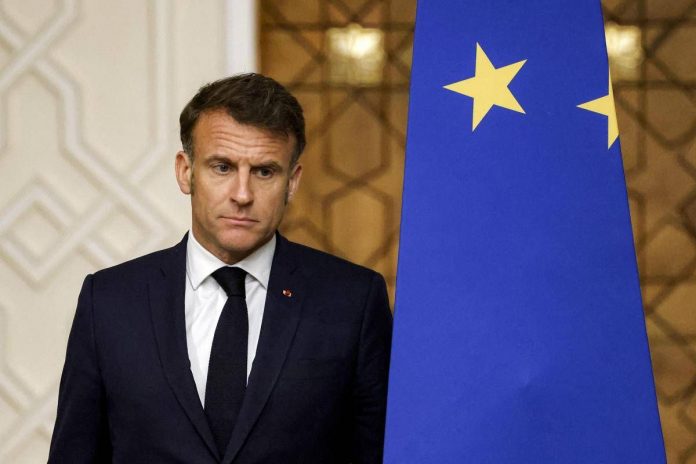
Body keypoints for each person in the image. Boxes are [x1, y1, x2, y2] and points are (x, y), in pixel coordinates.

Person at [48, 73, 393, 464]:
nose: (242, 194)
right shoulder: (109, 301)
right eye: (223, 167)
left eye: (264, 171)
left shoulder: (352, 302)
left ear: (292, 182)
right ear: (186, 172)